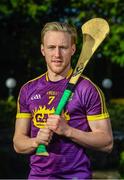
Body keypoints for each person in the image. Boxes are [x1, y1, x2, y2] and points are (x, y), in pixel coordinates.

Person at [13, 21, 113, 179]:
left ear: (73, 49)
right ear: (42, 50)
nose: (57, 55)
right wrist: (35, 141)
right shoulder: (28, 90)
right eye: (51, 47)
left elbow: (107, 143)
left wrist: (68, 131)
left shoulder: (87, 89)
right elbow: (18, 143)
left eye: (63, 47)